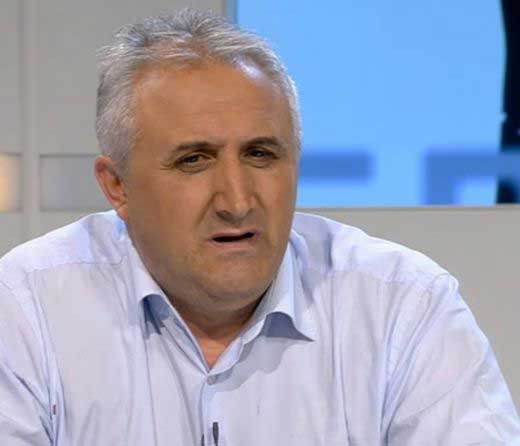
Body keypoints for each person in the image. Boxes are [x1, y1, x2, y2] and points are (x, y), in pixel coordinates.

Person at [0, 9, 519, 446]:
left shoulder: (402, 306)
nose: (238, 201)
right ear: (117, 186)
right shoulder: (26, 309)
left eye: (261, 154)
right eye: (194, 160)